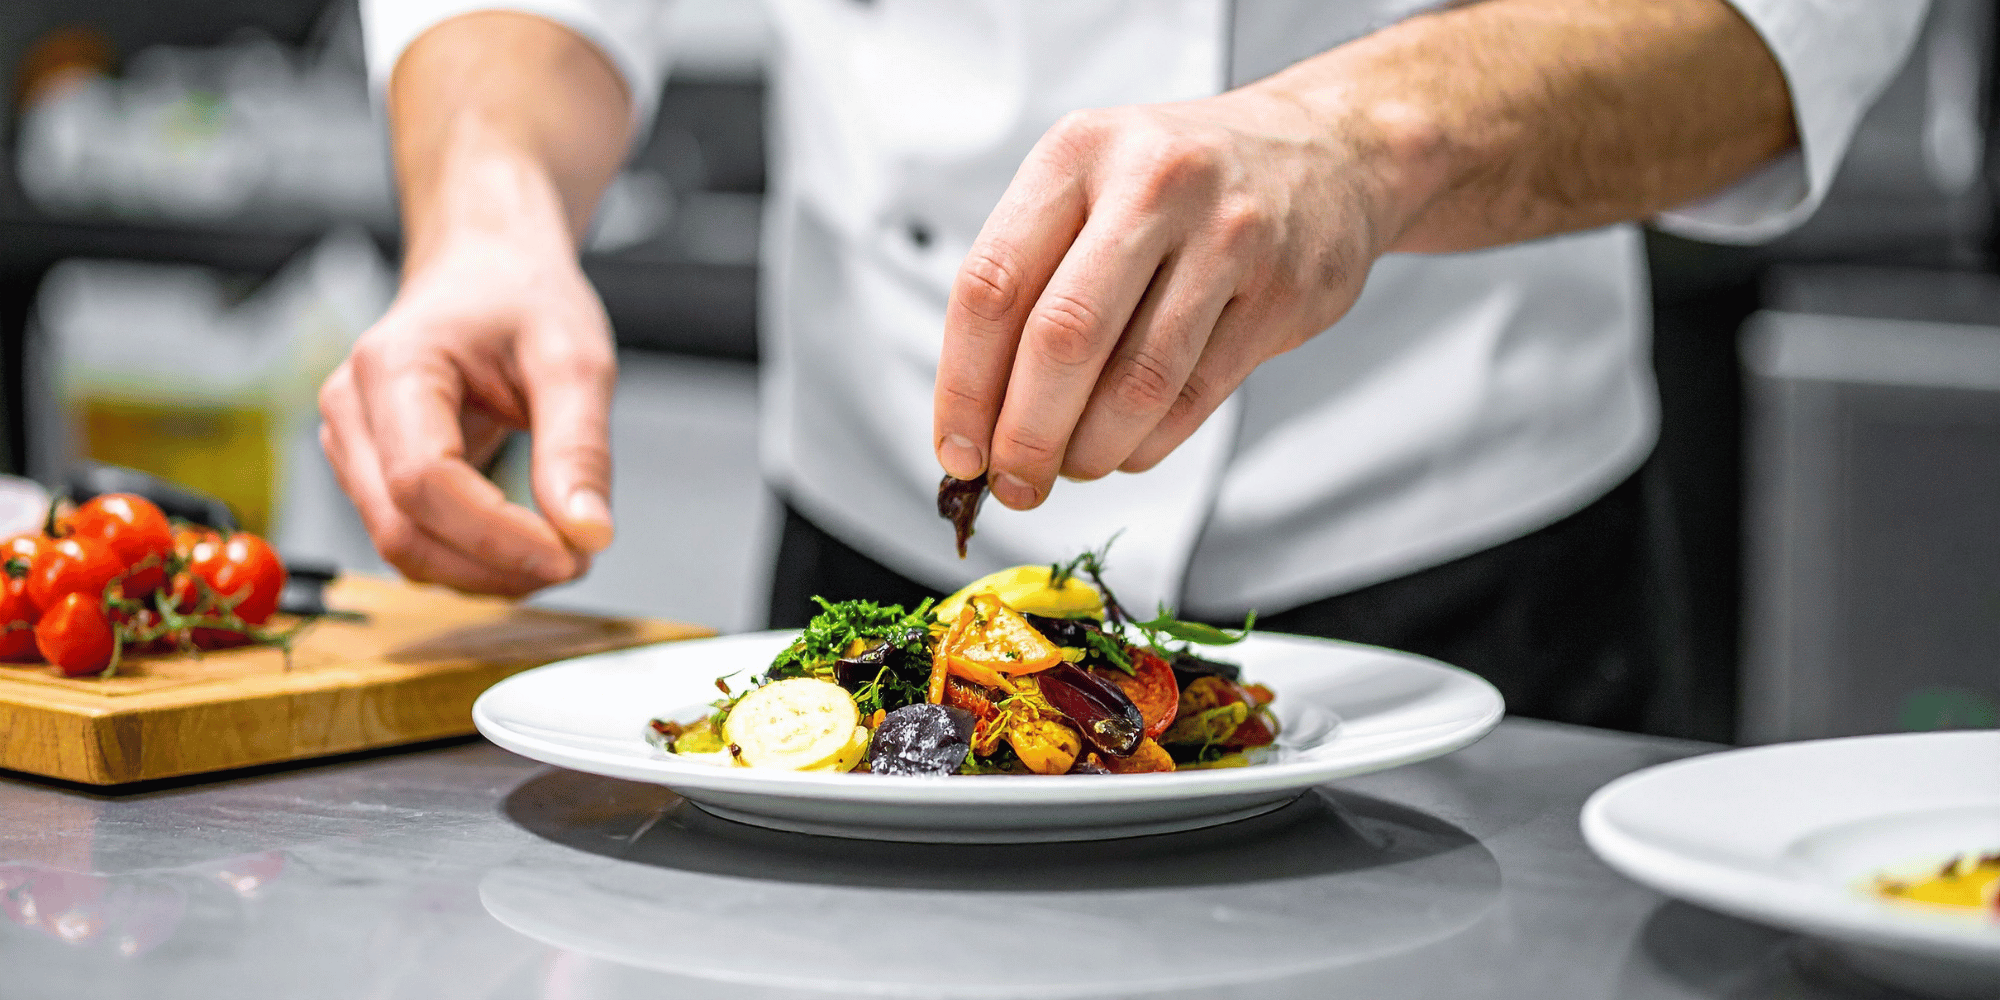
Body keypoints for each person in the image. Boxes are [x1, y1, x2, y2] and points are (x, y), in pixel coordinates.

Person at [326, 0, 1926, 733]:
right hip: (882, 555)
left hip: (1472, 544)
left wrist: (1362, 141)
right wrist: (486, 210)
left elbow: (1799, 23)